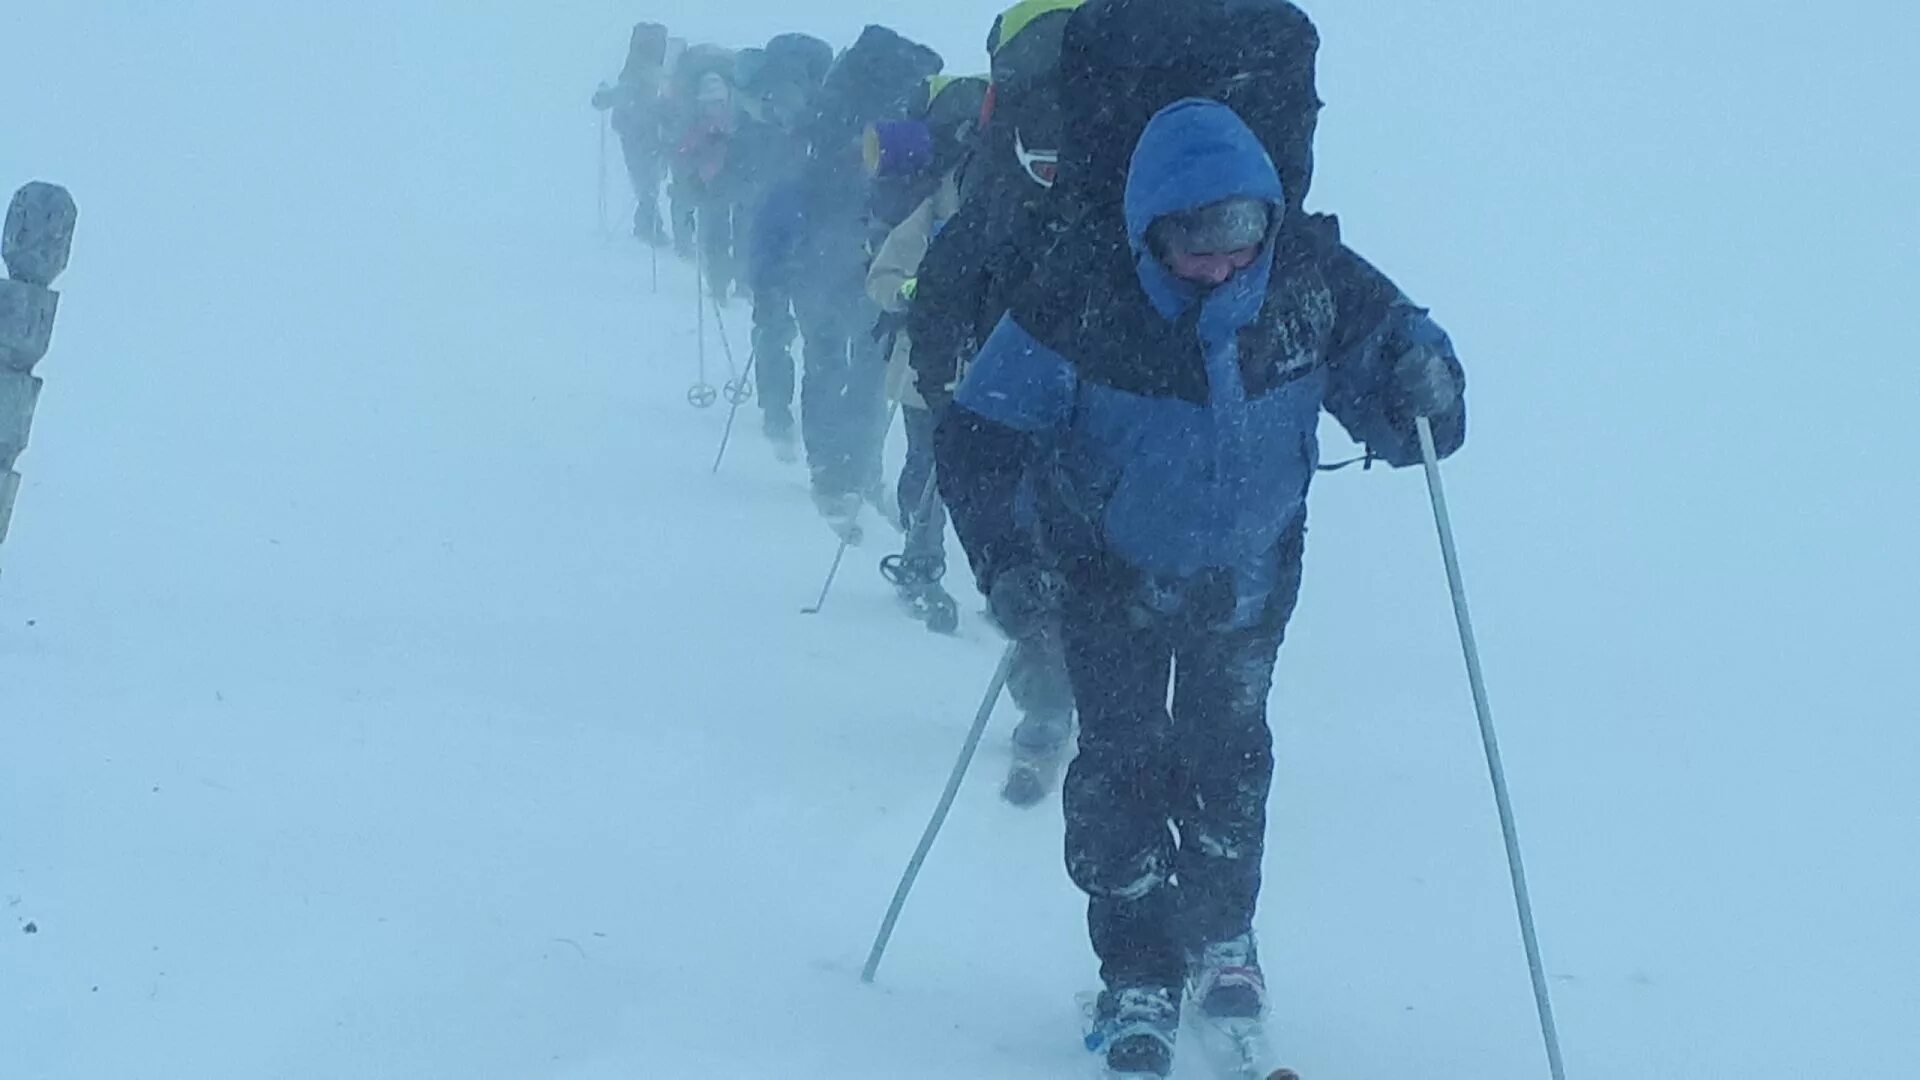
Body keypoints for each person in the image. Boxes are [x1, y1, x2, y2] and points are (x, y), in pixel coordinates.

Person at [935, 98, 1467, 1077]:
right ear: (1149, 230)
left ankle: (1223, 933)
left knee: (1229, 755)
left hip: (1248, 578)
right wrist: (1007, 562)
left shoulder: (1313, 284)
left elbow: (1403, 375)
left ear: (1268, 217)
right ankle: (1136, 967)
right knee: (1123, 767)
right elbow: (978, 436)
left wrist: (1424, 387)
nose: (1224, 260)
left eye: (1241, 233)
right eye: (1195, 239)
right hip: (1106, 575)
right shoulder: (1081, 300)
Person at [904, 0, 1084, 804]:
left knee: (1044, 552)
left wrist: (942, 375)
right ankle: (1066, 706)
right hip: (1060, 393)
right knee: (1060, 549)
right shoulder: (1102, 100)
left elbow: (945, 283)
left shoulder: (1000, 185)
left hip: (1013, 390)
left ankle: (1059, 702)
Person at [749, 25, 942, 533]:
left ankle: (836, 474)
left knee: (830, 359)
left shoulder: (828, 118)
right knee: (863, 367)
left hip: (823, 256)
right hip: (864, 253)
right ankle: (852, 473)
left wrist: (774, 261)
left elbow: (790, 191)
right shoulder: (888, 118)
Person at [863, 74, 989, 634]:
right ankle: (921, 563)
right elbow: (884, 277)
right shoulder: (938, 205)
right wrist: (918, 295)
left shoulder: (991, 206)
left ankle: (949, 564)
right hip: (928, 364)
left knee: (952, 469)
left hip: (984, 364)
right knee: (932, 464)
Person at [736, 32, 835, 461]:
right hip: (815, 248)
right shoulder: (825, 115)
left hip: (770, 241)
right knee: (818, 342)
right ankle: (821, 441)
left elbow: (750, 184)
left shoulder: (760, 114)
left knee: (773, 330)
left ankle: (777, 412)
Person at [591, 22, 671, 244]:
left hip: (636, 130)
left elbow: (617, 96)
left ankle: (648, 224)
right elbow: (625, 95)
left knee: (645, 180)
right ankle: (649, 226)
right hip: (646, 131)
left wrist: (604, 98)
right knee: (648, 180)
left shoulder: (635, 68)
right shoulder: (650, 70)